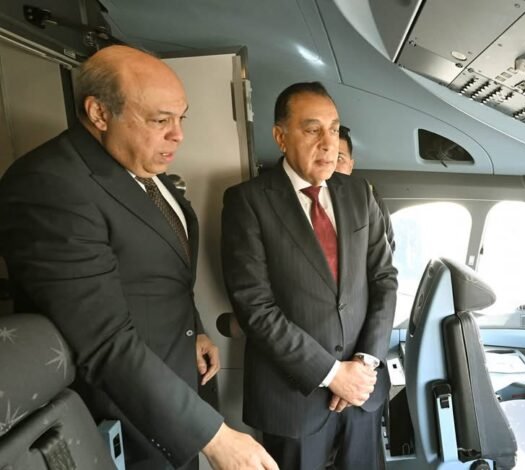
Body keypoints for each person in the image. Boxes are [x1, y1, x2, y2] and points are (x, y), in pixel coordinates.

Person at [0, 45, 277, 470]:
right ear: (99, 113)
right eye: (160, 120)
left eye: (181, 118)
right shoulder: (49, 185)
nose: (178, 135)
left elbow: (162, 272)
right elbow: (103, 340)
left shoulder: (143, 169)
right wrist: (214, 436)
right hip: (128, 414)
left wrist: (195, 330)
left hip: (180, 377)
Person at [221, 81, 398, 469]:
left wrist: (365, 364)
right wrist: (332, 374)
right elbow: (255, 307)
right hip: (292, 399)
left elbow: (384, 279)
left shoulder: (359, 193)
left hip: (362, 391)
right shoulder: (247, 201)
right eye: (312, 129)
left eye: (333, 129)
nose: (328, 143)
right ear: (280, 137)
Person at [335, 126, 395, 251]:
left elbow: (387, 248)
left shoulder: (368, 198)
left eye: (339, 158)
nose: (331, 165)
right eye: (327, 157)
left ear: (350, 166)